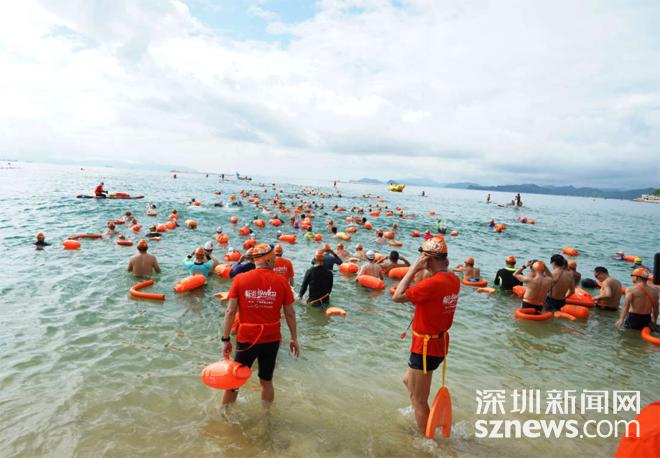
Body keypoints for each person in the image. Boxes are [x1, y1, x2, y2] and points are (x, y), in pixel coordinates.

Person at [391, 238, 460, 435]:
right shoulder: (453, 279)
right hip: (439, 344)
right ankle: (424, 420)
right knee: (408, 381)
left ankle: (427, 441)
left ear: (428, 259)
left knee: (419, 400)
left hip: (425, 348)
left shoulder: (431, 285)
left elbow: (397, 297)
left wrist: (413, 268)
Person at [221, 243, 299, 406]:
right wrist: (294, 338)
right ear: (269, 260)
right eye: (274, 259)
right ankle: (266, 415)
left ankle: (225, 415)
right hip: (271, 339)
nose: (276, 262)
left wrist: (226, 339)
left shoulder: (240, 279)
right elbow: (290, 313)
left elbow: (230, 311)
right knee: (266, 380)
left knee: (235, 381)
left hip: (247, 338)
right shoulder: (282, 281)